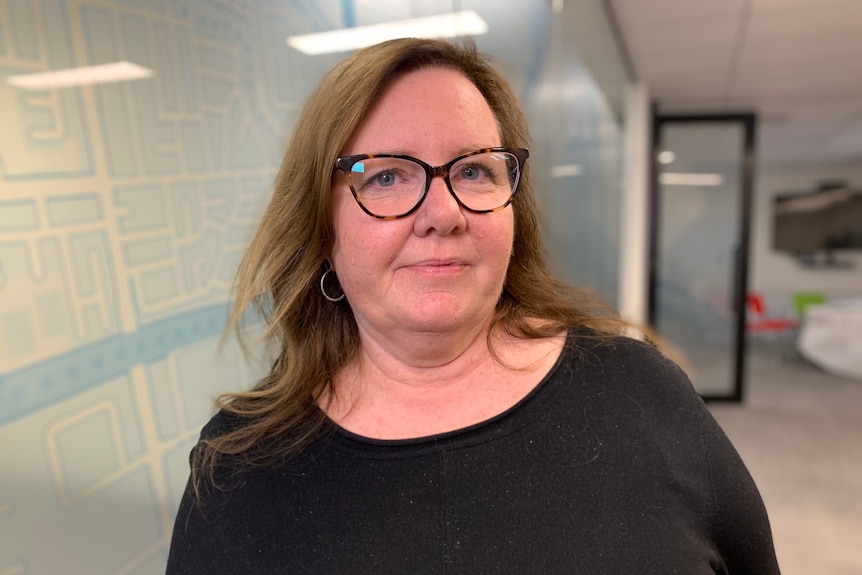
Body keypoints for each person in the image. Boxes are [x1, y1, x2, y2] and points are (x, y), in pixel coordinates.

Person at [167, 38, 780, 574]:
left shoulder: (643, 395)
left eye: (476, 171)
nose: (444, 214)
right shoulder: (238, 469)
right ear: (320, 226)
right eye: (385, 177)